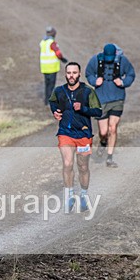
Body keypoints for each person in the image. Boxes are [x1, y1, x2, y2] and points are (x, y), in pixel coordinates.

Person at [48, 62, 103, 213]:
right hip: (65, 132)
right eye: (69, 73)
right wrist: (55, 112)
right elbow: (52, 101)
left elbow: (98, 112)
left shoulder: (88, 92)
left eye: (74, 73)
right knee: (67, 164)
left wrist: (83, 108)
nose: (71, 76)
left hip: (83, 134)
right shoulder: (59, 91)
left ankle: (84, 195)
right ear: (65, 74)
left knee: (83, 166)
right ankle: (69, 196)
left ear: (79, 74)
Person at [85, 43, 136, 168]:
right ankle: (103, 142)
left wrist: (123, 82)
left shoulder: (122, 61)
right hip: (101, 98)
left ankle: (109, 158)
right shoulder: (96, 60)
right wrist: (94, 81)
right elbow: (88, 73)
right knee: (103, 131)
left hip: (117, 98)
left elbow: (131, 74)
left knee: (112, 128)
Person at [40, 26, 68, 106]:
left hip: (44, 67)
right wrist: (62, 59)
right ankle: (50, 100)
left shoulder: (43, 42)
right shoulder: (52, 43)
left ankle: (46, 100)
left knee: (47, 84)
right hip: (52, 67)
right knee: (51, 85)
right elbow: (58, 53)